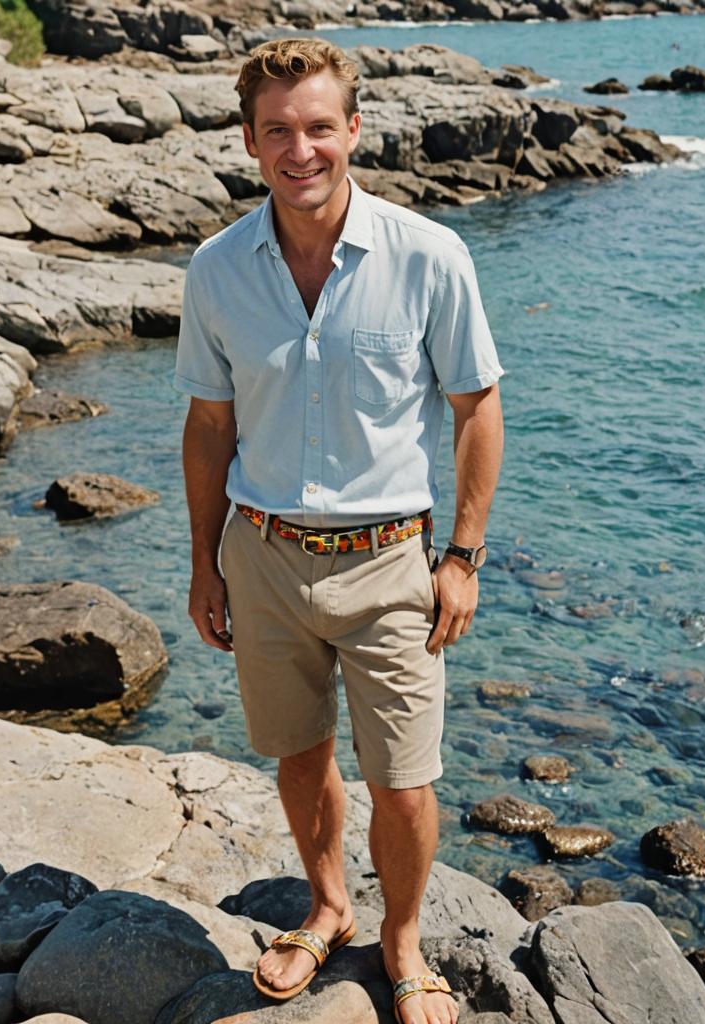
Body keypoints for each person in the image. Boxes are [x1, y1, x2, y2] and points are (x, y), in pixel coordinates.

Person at [174, 37, 504, 1024]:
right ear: (248, 142)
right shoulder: (216, 268)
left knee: (403, 781)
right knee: (299, 753)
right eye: (277, 130)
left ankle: (401, 937)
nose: (300, 148)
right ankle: (328, 907)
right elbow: (208, 425)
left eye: (319, 126)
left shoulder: (428, 255)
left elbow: (476, 407)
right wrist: (204, 564)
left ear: (353, 130)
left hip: (390, 561)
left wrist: (463, 557)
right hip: (262, 555)